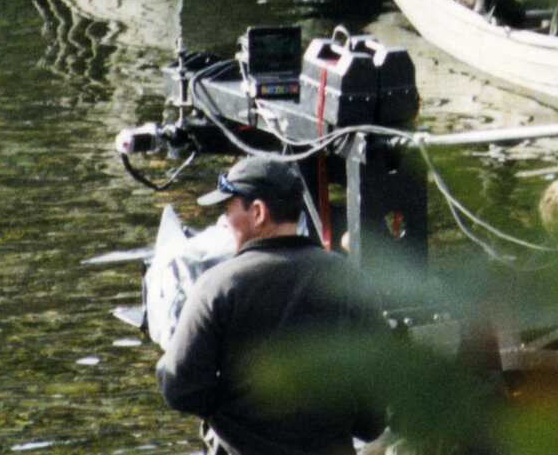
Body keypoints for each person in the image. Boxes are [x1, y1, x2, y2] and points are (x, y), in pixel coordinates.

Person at [157, 155, 387, 455]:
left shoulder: (217, 288)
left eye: (229, 209)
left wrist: (229, 411)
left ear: (258, 212)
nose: (224, 221)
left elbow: (179, 389)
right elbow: (374, 414)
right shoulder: (351, 280)